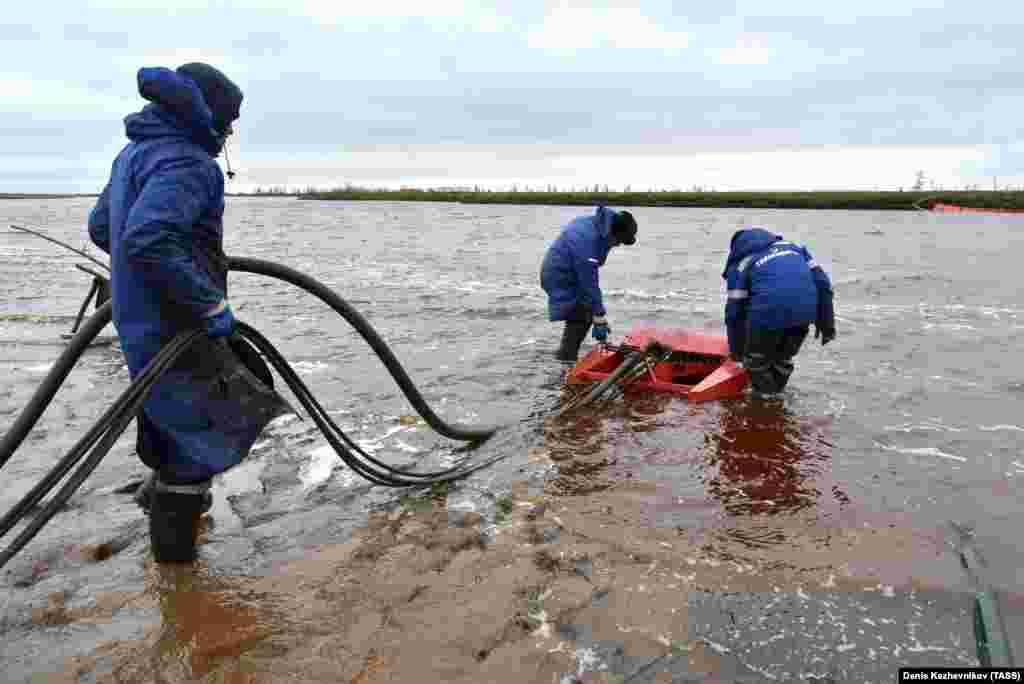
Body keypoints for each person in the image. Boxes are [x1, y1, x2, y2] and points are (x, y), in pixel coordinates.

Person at [88, 63, 291, 562]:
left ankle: (162, 513)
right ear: (209, 114)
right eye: (230, 118)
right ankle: (179, 582)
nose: (231, 130)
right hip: (178, 327)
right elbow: (149, 237)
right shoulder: (189, 164)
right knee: (195, 447)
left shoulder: (133, 153)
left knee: (171, 426)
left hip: (138, 326)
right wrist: (209, 302)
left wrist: (139, 283)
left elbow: (101, 228)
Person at [722, 227, 835, 395]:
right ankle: (778, 403)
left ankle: (767, 406)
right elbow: (823, 285)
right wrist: (826, 325)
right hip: (804, 314)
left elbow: (734, 314)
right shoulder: (795, 249)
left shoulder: (742, 264)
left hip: (767, 314)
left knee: (756, 362)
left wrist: (737, 354)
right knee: (782, 359)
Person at [540, 207, 638, 361]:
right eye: (619, 241)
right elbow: (589, 281)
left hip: (569, 271)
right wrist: (599, 315)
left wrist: (598, 314)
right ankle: (566, 362)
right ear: (612, 233)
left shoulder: (600, 226)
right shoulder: (588, 241)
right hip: (560, 276)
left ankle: (565, 357)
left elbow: (589, 278)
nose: (618, 245)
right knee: (581, 316)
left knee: (585, 312)